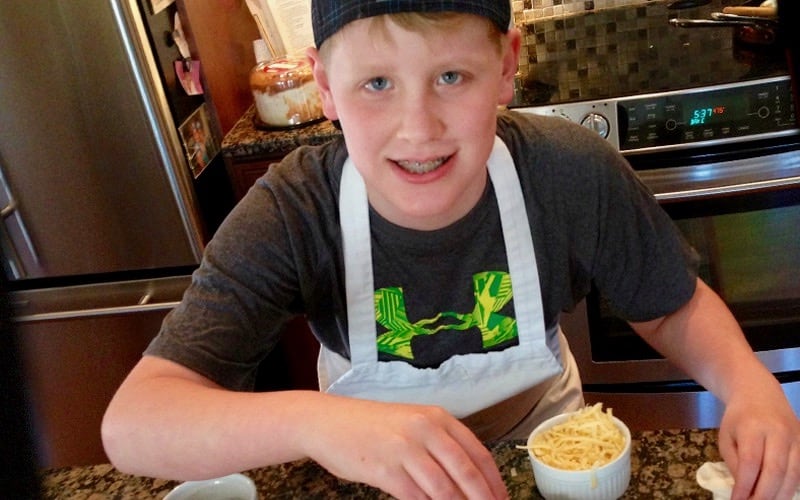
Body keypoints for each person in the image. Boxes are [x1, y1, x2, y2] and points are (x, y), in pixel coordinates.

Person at [102, 1, 800, 498]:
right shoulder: (295, 209)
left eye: (451, 78)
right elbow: (136, 424)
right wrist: (318, 424)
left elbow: (671, 309)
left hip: (543, 459)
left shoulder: (565, 171)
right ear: (325, 88)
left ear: (506, 67)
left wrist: (748, 386)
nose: (418, 128)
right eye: (377, 84)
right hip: (372, 480)